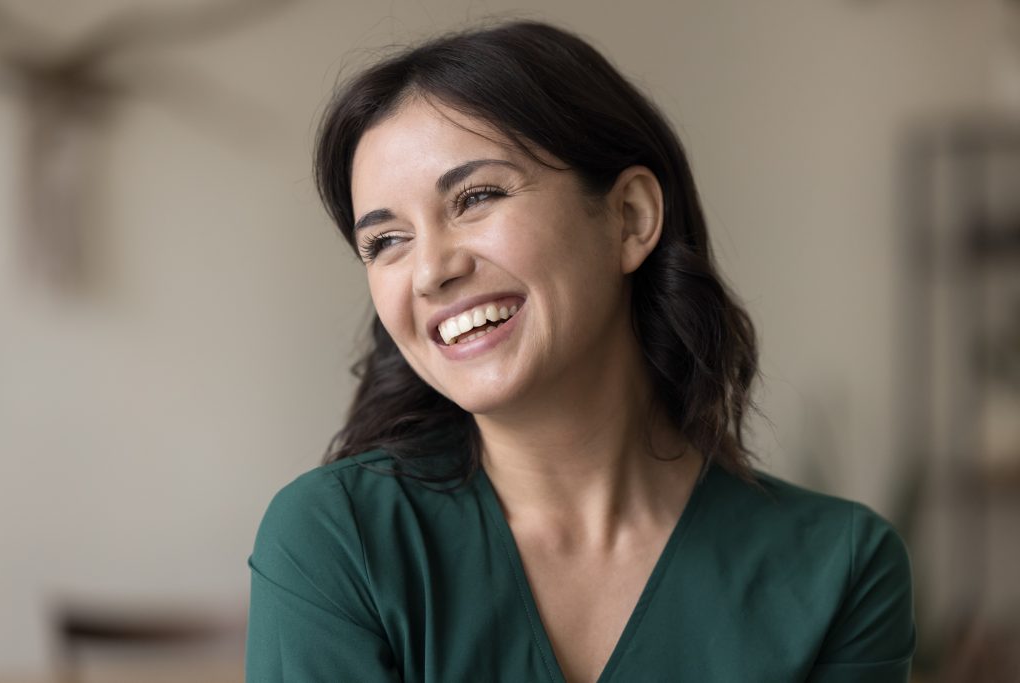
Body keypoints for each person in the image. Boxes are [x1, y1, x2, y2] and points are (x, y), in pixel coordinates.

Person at [245, 20, 915, 682]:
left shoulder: (839, 568)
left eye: (476, 197)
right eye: (386, 241)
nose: (429, 271)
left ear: (630, 218)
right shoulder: (339, 541)